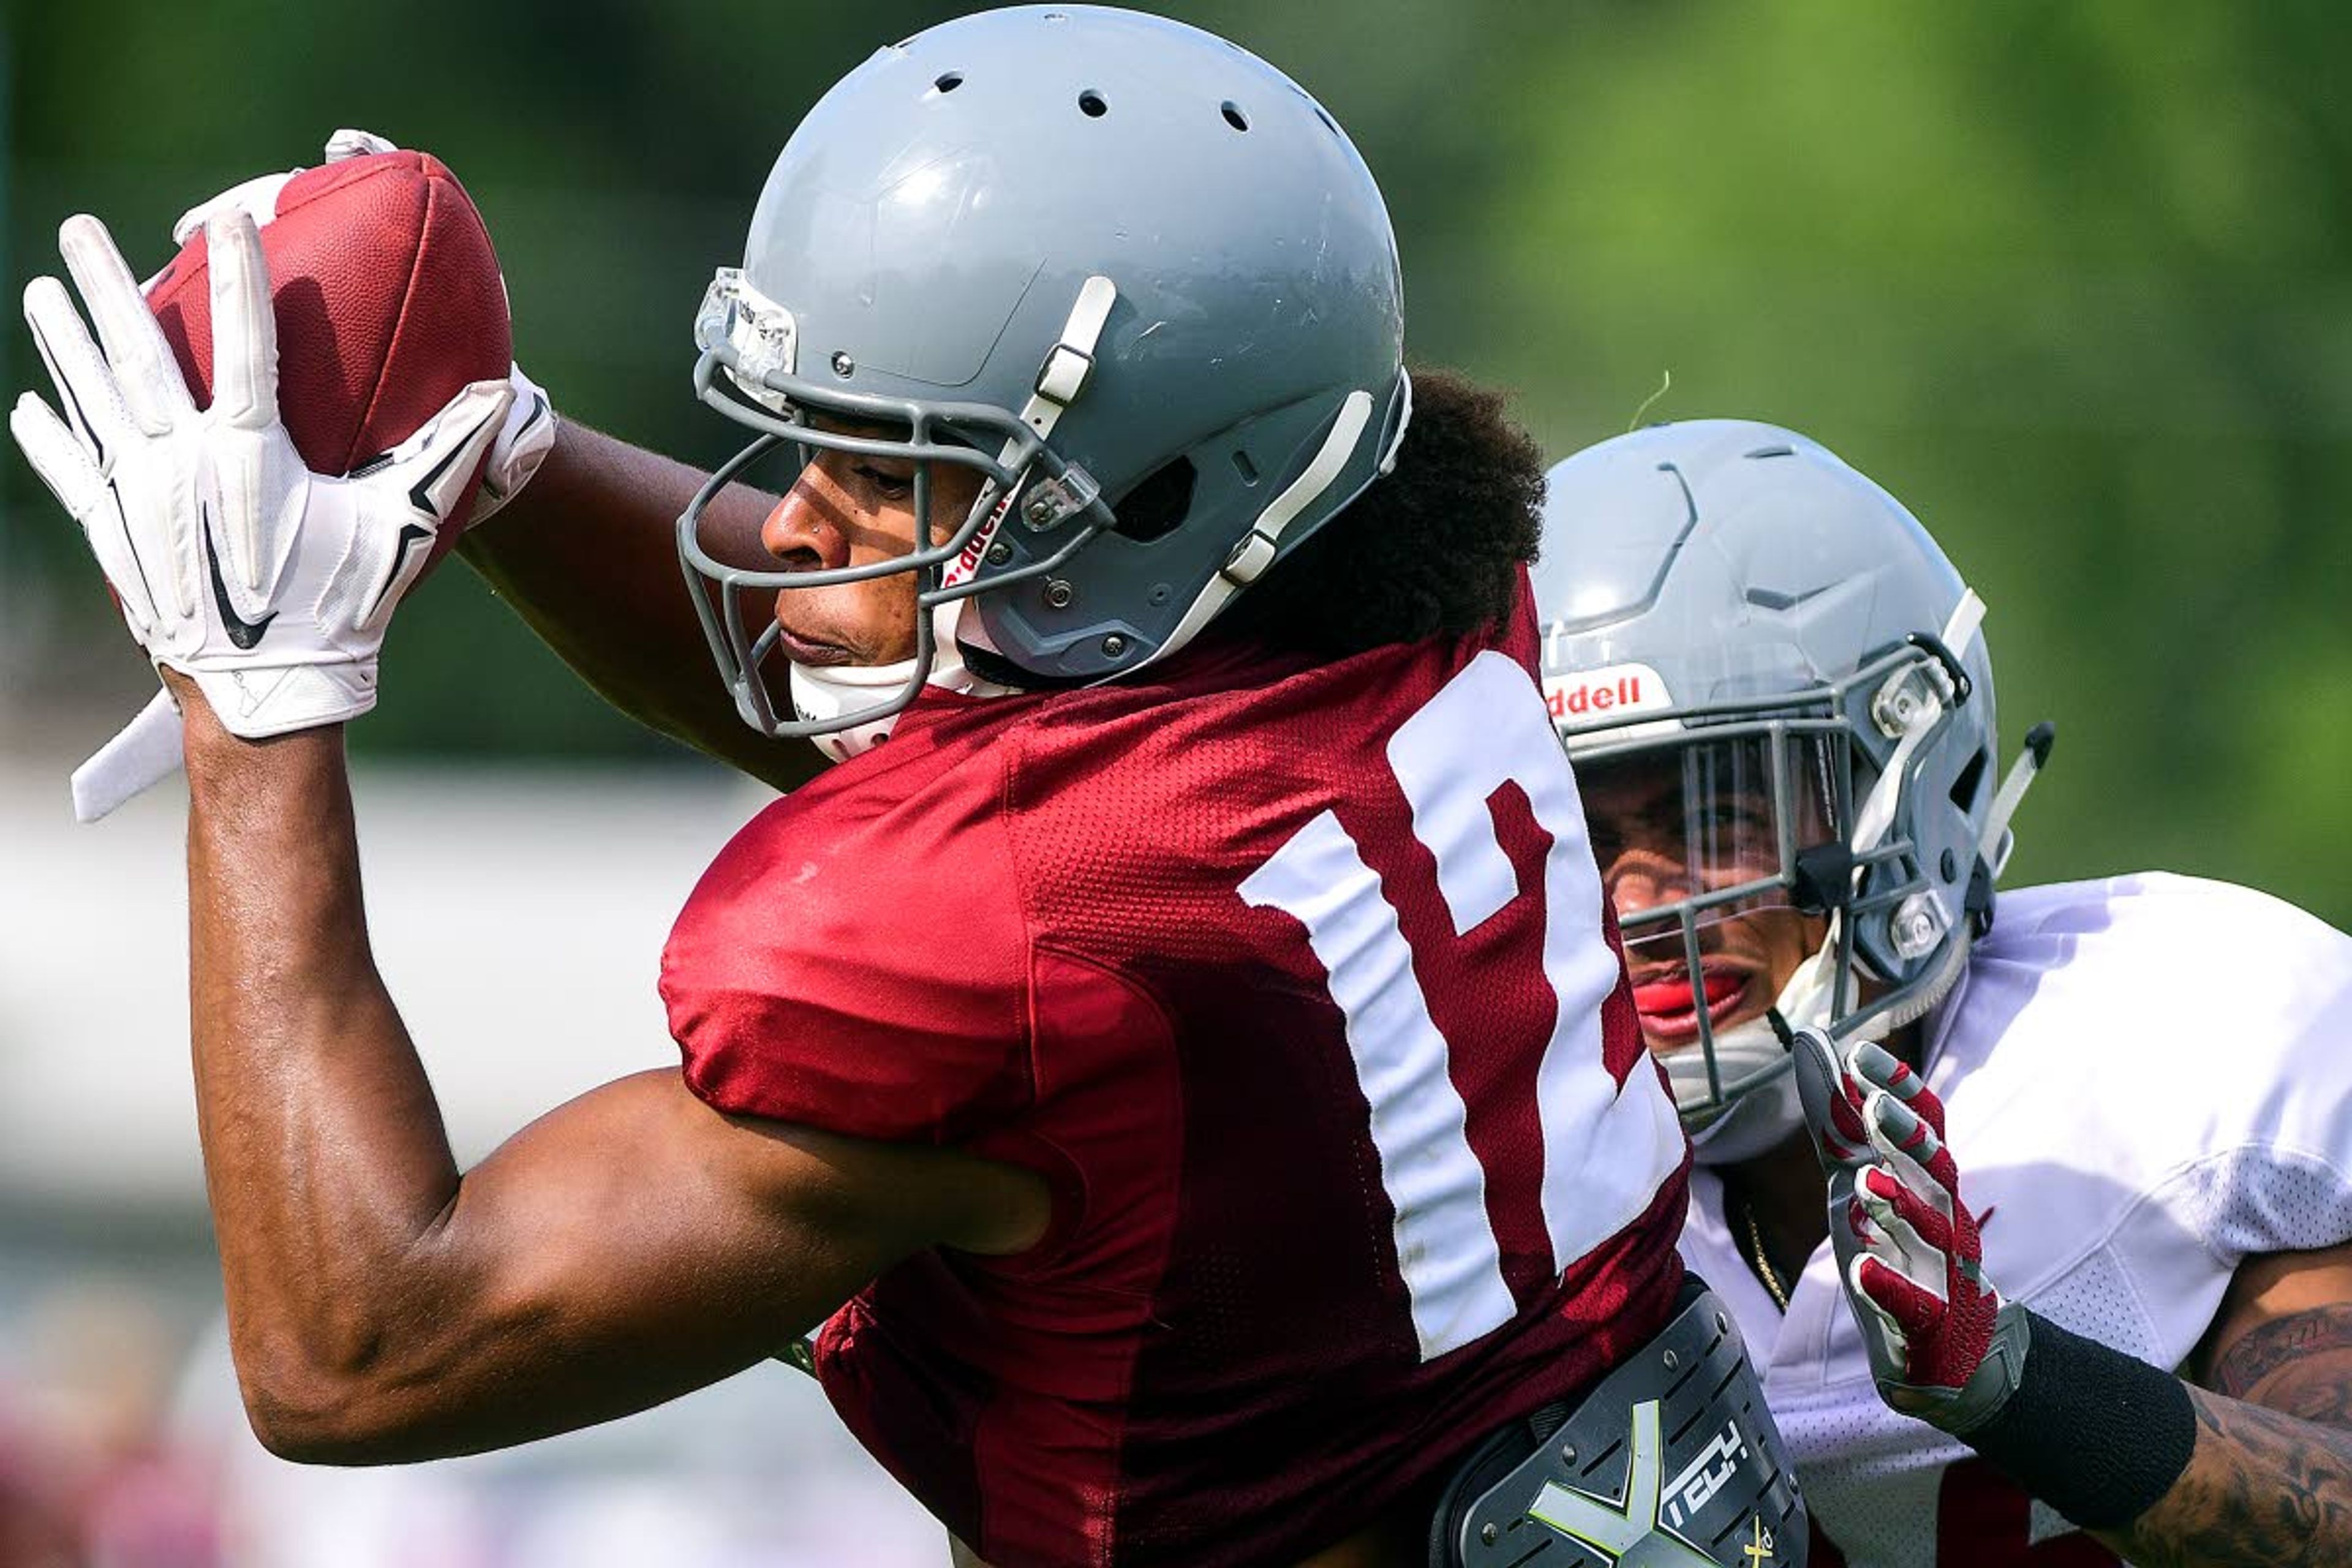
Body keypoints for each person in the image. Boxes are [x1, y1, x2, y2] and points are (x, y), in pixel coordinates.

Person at [10, 12, 1804, 1566]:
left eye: (890, 469)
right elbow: (946, 704)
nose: (789, 516)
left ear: (1154, 503)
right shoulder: (1388, 586)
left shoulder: (1038, 932)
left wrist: (258, 705)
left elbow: (357, 1347)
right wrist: (497, 461)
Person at [1534, 417, 2352, 1567]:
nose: (1639, 909)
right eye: (1579, 838)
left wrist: (2015, 1380)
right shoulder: (1511, 1190)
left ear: (1914, 787)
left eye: (1716, 816)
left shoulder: (2195, 1034)